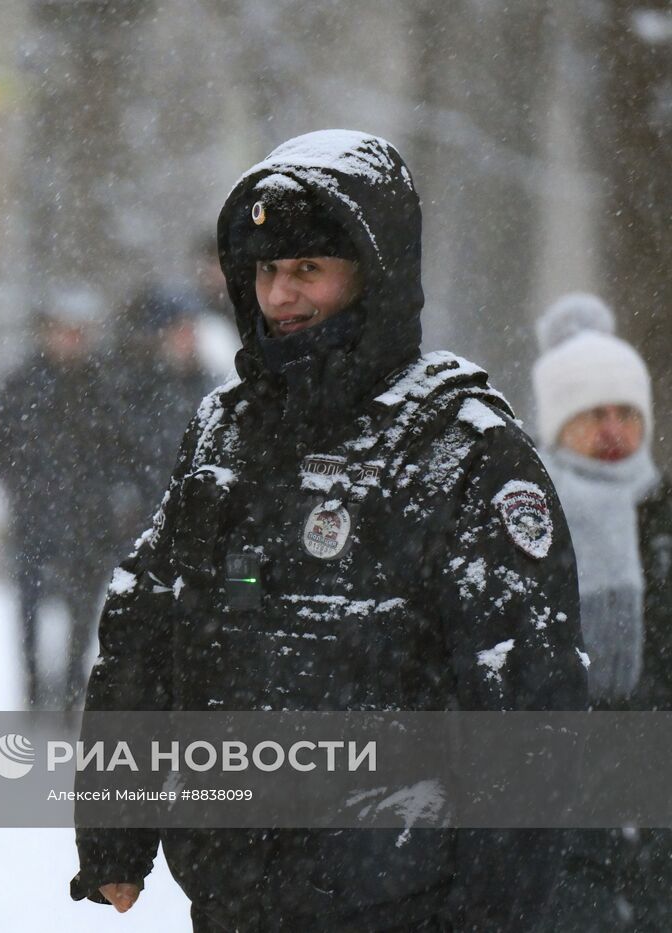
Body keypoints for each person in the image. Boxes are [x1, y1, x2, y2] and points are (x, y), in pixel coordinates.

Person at [71, 130, 589, 931]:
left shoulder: (461, 447)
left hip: (408, 900)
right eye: (269, 271)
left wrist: (499, 911)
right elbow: (146, 625)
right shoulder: (227, 431)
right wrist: (114, 825)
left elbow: (532, 716)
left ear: (374, 274)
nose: (282, 295)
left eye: (308, 268)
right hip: (234, 892)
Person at [533, 293, 672, 930]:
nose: (613, 429)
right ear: (559, 423)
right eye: (593, 414)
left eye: (626, 413)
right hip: (566, 767)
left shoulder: (661, 509)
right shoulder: (531, 515)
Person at [0, 287, 115, 709]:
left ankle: (74, 683)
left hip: (88, 520)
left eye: (78, 332)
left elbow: (122, 447)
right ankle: (35, 687)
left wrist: (105, 494)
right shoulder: (21, 383)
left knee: (84, 607)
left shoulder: (103, 384)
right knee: (30, 608)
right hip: (34, 517)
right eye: (62, 331)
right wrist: (23, 485)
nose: (71, 340)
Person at [101, 282, 225, 551]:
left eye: (191, 328)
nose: (188, 337)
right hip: (145, 514)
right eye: (179, 329)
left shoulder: (207, 382)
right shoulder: (131, 388)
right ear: (158, 334)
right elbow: (116, 449)